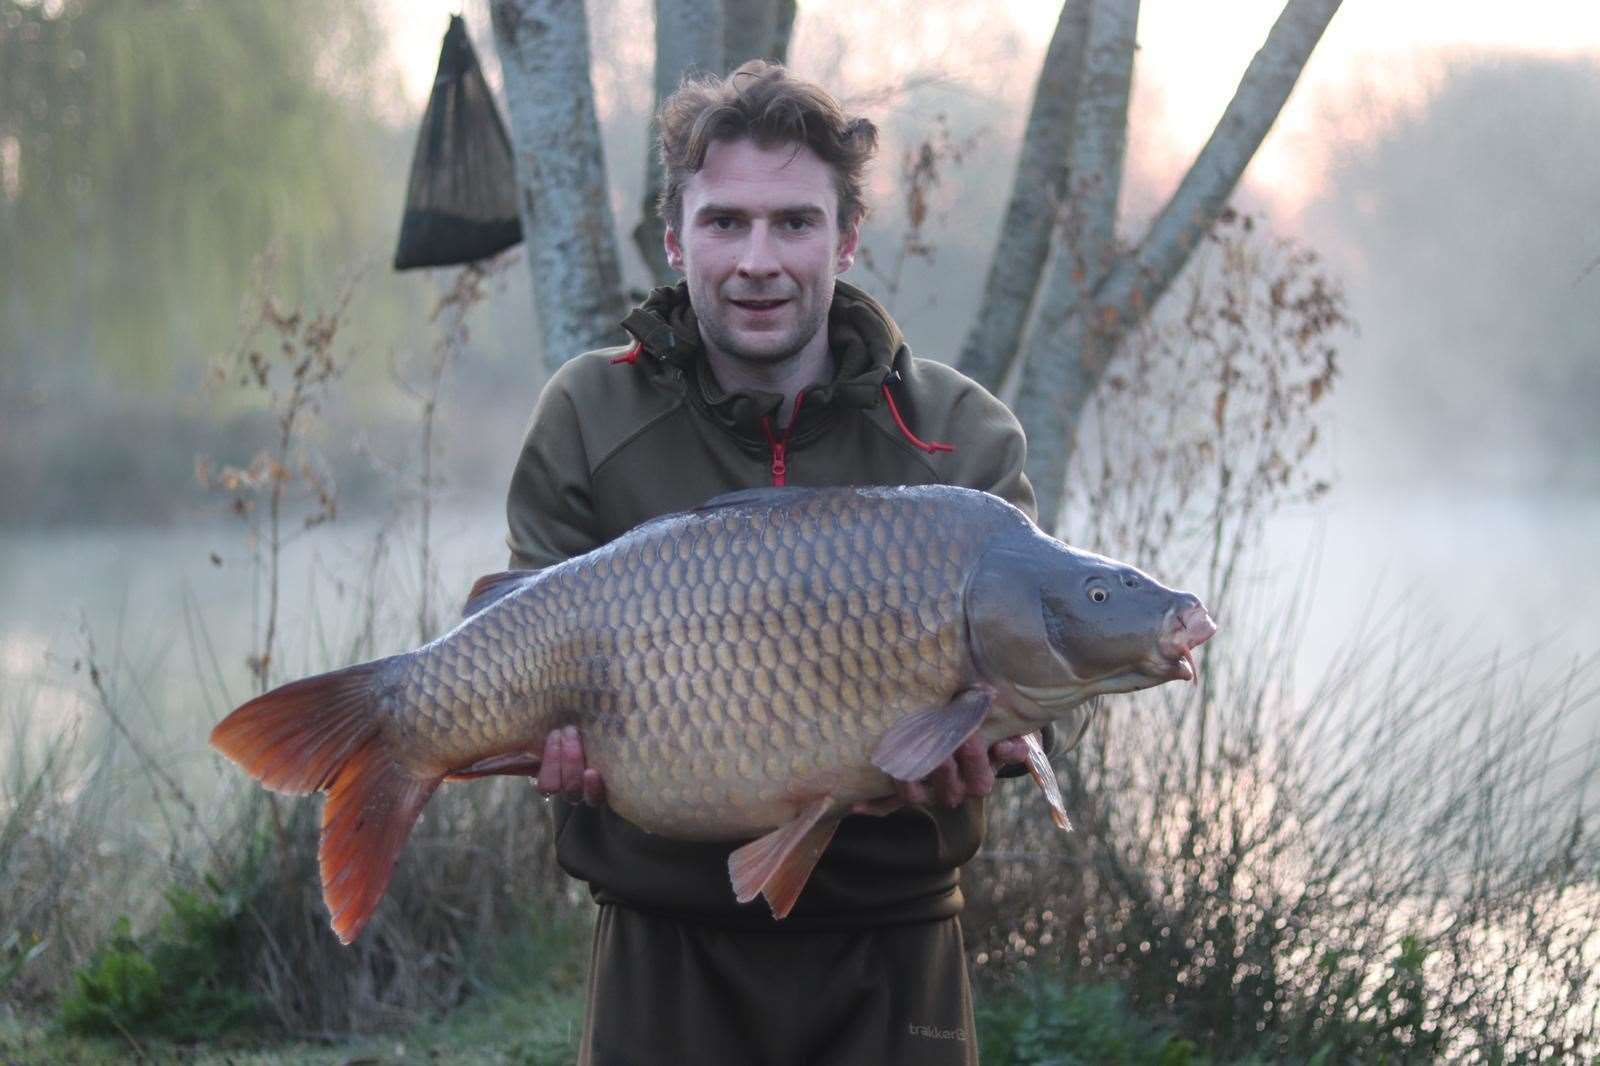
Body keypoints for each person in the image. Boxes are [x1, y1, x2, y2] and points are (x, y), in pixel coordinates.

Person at [504, 60, 1046, 1066]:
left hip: (893, 948)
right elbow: (524, 643)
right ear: (674, 240)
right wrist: (545, 738)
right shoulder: (588, 413)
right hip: (663, 946)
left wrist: (997, 753)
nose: (759, 259)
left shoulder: (963, 438)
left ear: (844, 239)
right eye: (725, 223)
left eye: (793, 223)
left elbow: (1033, 660)